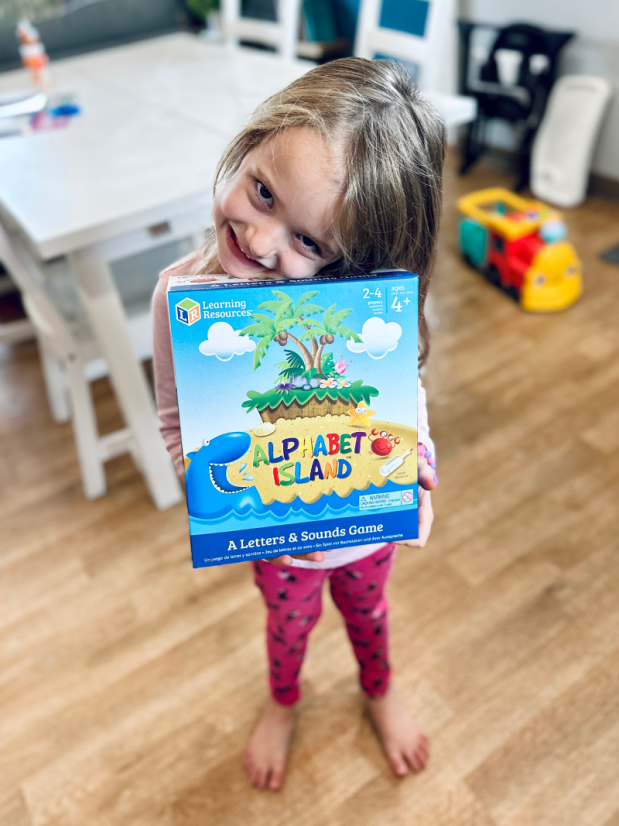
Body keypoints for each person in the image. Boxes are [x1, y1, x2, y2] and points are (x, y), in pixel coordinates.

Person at [152, 57, 444, 791]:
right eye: (261, 190)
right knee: (286, 631)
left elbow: (404, 392)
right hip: (276, 542)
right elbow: (171, 420)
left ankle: (378, 689)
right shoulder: (178, 300)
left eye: (309, 243)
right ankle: (283, 701)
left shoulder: (367, 314)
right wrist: (201, 480)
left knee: (370, 614)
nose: (259, 238)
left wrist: (419, 473)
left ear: (354, 260)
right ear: (251, 144)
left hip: (364, 536)